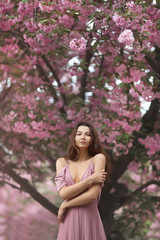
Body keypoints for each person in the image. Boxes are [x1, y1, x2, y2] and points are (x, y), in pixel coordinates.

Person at [54, 121, 111, 240]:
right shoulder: (62, 162)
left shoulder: (98, 159)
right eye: (79, 134)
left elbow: (92, 195)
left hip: (89, 219)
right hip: (68, 220)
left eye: (88, 134)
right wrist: (90, 179)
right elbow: (63, 193)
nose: (83, 137)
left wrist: (66, 204)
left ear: (93, 139)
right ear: (74, 138)